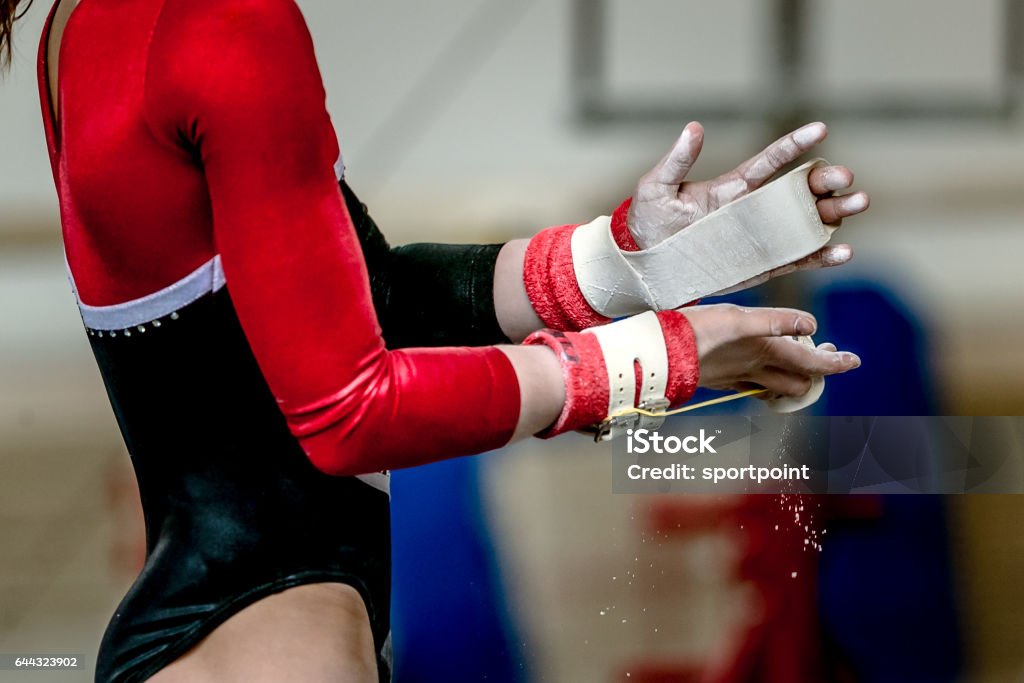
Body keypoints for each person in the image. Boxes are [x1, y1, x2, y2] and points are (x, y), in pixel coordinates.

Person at [1, 0, 868, 680]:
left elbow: (351, 300)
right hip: (275, 643)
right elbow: (349, 413)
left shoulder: (88, 25)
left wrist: (624, 261)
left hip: (197, 634)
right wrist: (665, 358)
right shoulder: (227, 25)